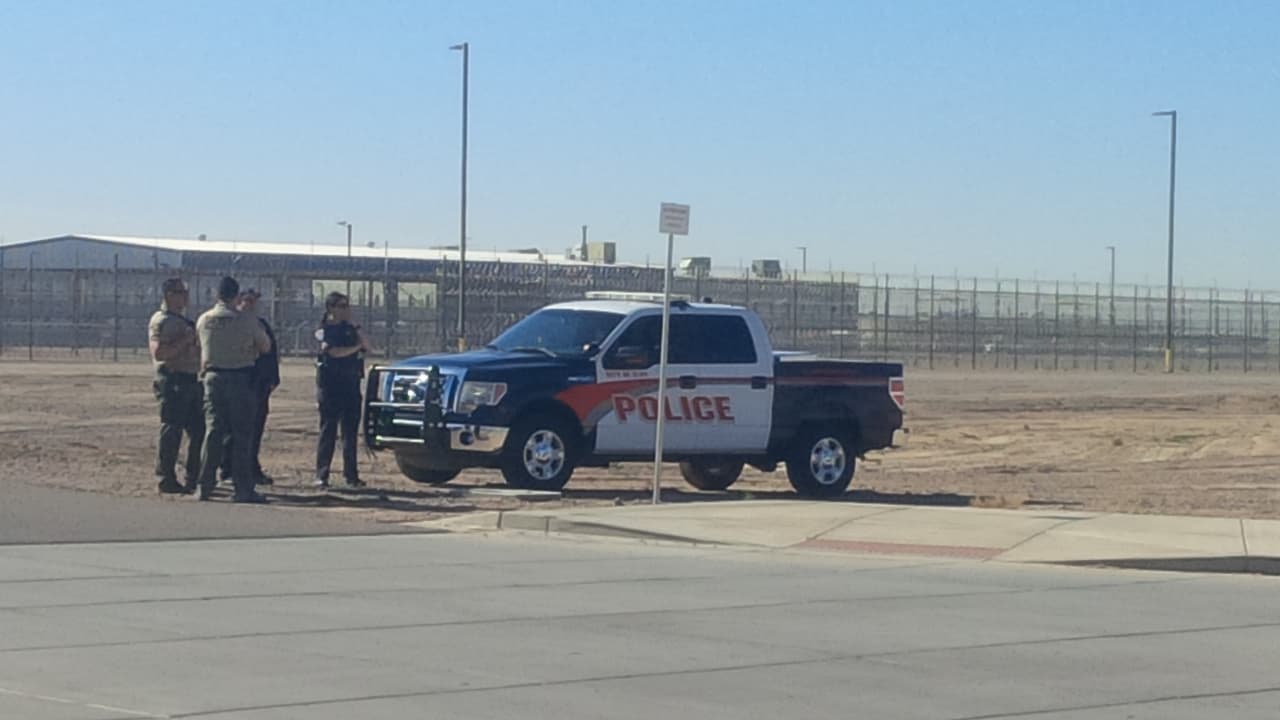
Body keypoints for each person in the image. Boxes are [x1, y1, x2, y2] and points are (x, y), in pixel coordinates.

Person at [195, 276, 272, 503]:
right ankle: (243, 488)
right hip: (240, 377)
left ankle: (204, 485)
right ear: (236, 296)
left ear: (216, 294)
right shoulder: (246, 320)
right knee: (241, 435)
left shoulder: (204, 319)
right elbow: (265, 346)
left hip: (212, 377)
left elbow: (200, 345)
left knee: (213, 431)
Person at [148, 278, 204, 495]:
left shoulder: (181, 320)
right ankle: (166, 477)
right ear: (169, 295)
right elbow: (160, 353)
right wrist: (185, 341)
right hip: (172, 380)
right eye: (181, 292)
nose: (186, 297)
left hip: (190, 379)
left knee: (199, 430)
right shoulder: (161, 321)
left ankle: (194, 476)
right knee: (172, 430)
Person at [220, 288, 279, 486]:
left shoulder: (261, 325)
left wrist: (273, 380)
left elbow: (271, 354)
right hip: (238, 383)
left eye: (254, 301)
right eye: (247, 300)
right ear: (238, 301)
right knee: (232, 430)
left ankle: (252, 468)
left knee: (255, 430)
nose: (251, 304)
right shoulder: (232, 323)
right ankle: (227, 469)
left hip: (259, 386)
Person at [314, 291, 370, 488]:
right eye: (341, 306)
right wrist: (355, 348)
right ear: (331, 309)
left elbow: (368, 345)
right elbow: (334, 352)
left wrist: (357, 328)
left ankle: (351, 475)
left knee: (350, 433)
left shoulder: (351, 329)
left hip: (351, 385)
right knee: (328, 430)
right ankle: (322, 474)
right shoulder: (325, 329)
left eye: (347, 306)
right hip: (330, 386)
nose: (346, 310)